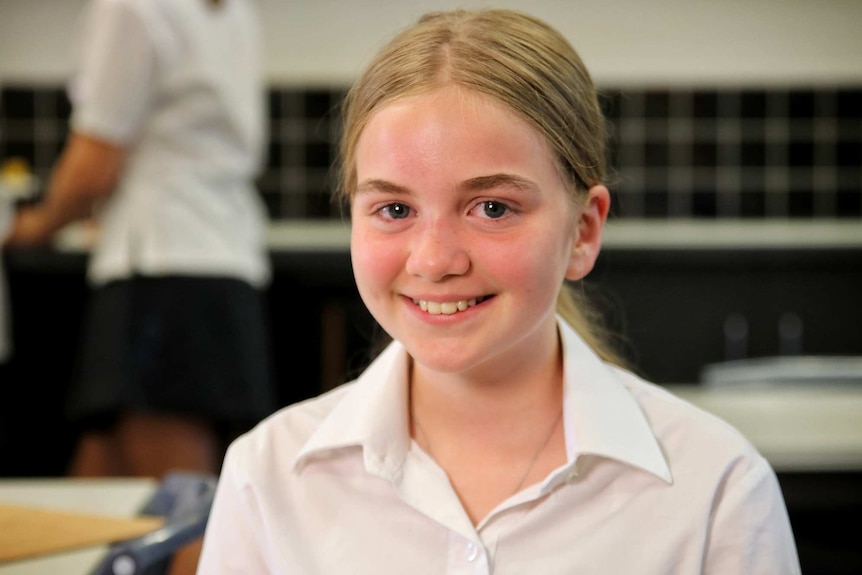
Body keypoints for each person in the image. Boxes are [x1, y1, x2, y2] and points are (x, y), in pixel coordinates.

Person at [197, 8, 801, 574]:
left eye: (492, 207)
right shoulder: (269, 477)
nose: (434, 260)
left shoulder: (715, 489)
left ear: (584, 230)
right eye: (394, 207)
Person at [3, 0, 274, 572]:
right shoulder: (231, 11)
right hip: (220, 255)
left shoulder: (130, 7)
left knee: (180, 506)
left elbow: (95, 159)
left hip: (162, 262)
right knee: (100, 470)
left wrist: (33, 224)